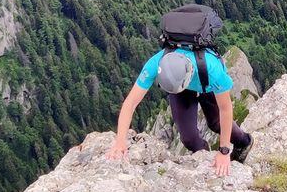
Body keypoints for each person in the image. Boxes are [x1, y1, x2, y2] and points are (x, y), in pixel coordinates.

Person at [105, 37, 253, 175]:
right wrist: (120, 142)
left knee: (216, 123)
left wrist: (224, 151)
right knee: (189, 138)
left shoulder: (212, 68)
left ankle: (244, 142)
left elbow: (225, 109)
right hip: (180, 86)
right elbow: (130, 103)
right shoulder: (156, 63)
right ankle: (204, 157)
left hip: (206, 83)